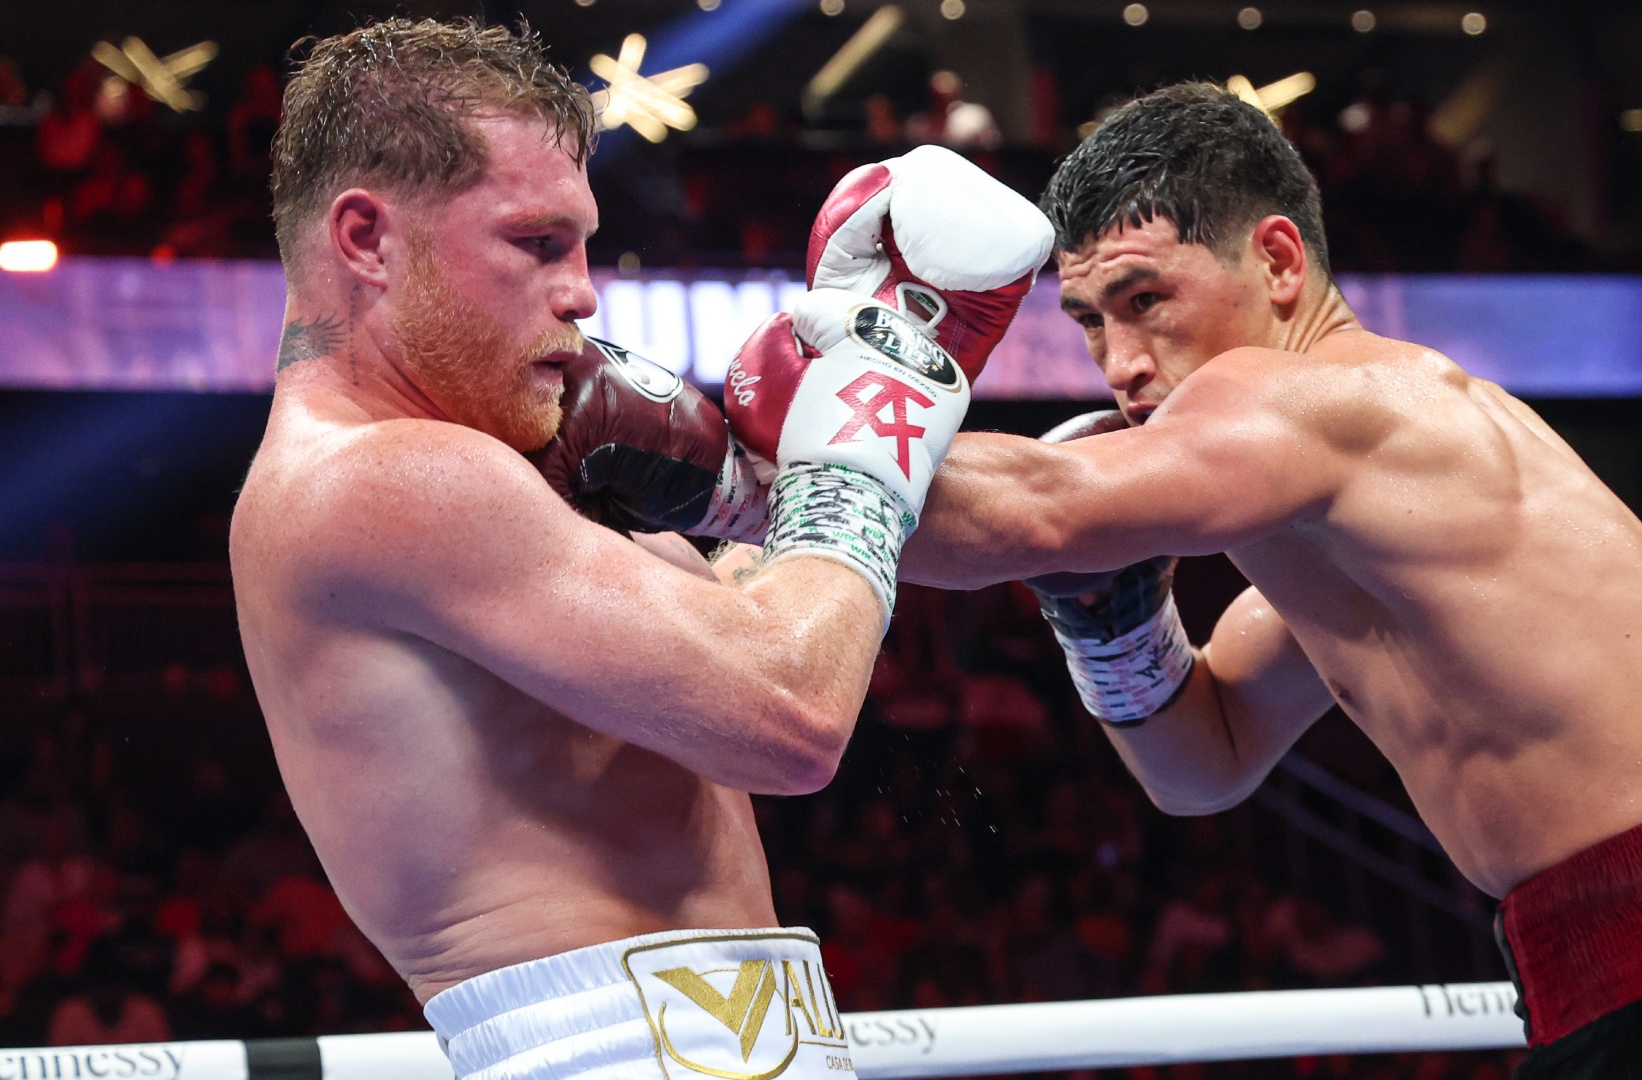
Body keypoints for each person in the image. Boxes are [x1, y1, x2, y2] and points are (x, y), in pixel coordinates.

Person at [887, 83, 1642, 1077]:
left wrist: (811, 427)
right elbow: (1202, 766)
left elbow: (1034, 505)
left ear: (1278, 261)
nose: (1120, 365)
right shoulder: (1364, 529)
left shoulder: (1345, 401)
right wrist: (1109, 624)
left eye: (1146, 300)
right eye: (1090, 321)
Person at [230, 17, 1047, 1080]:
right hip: (617, 1049)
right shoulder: (381, 477)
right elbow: (791, 714)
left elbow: (757, 627)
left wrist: (833, 410)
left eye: (580, 243)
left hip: (712, 1039)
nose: (583, 291)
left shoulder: (480, 471)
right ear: (365, 239)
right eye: (536, 243)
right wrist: (858, 448)